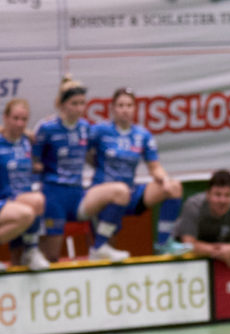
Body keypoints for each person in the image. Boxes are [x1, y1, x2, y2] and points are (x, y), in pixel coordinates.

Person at [32, 75, 135, 263]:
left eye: (82, 103)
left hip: (78, 195)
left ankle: (100, 246)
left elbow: (92, 153)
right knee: (52, 256)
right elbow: (33, 158)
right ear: (62, 104)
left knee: (121, 192)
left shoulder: (86, 128)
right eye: (74, 103)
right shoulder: (47, 128)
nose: (79, 108)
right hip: (54, 195)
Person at [87, 87, 186, 257]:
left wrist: (165, 180)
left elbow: (154, 167)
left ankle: (163, 243)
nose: (125, 109)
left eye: (129, 105)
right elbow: (83, 150)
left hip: (130, 193)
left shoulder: (142, 135)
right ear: (112, 108)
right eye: (120, 105)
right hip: (104, 196)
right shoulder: (100, 131)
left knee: (174, 187)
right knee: (106, 251)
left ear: (135, 108)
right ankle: (99, 247)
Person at [0, 98, 50, 271]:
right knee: (30, 210)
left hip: (18, 201)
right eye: (15, 118)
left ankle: (31, 251)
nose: (20, 124)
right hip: (4, 200)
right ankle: (31, 250)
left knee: (35, 203)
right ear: (5, 118)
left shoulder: (27, 142)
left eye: (24, 119)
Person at [174, 170, 230, 269]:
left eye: (227, 195)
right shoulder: (193, 206)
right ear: (208, 194)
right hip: (182, 259)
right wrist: (222, 253)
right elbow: (188, 244)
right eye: (217, 195)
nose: (222, 201)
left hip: (219, 264)